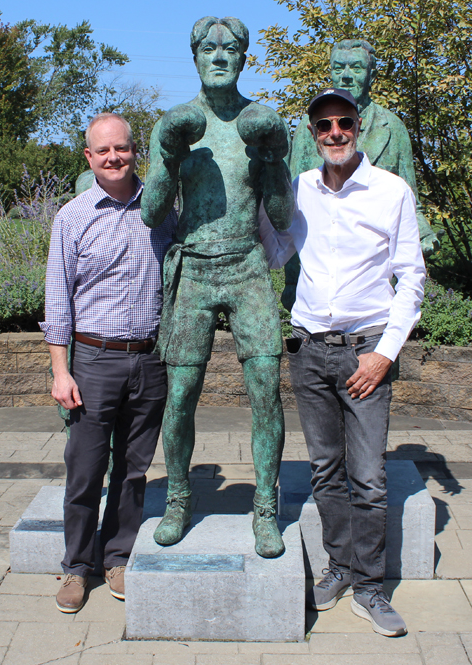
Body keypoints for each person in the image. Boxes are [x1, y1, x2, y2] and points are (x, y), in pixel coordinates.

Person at [259, 88, 426, 637]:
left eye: (344, 122)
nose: (334, 132)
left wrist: (384, 353)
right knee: (326, 472)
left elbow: (412, 278)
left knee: (370, 478)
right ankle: (339, 567)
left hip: (364, 352)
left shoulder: (390, 191)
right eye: (323, 125)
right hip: (309, 349)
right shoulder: (298, 188)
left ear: (358, 126)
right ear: (312, 134)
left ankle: (372, 586)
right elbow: (277, 250)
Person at [140, 16, 294, 558]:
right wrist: (167, 155)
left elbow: (280, 215)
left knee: (266, 393)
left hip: (247, 266)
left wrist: (273, 159)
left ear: (245, 58)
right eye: (209, 48)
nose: (220, 56)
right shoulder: (177, 121)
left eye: (231, 49)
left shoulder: (262, 121)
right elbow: (152, 212)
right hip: (195, 269)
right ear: (196, 57)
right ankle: (178, 498)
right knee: (180, 396)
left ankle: (266, 508)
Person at [40, 113, 176, 613]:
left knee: (133, 469)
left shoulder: (162, 213)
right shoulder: (72, 218)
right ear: (89, 158)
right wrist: (61, 370)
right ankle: (77, 566)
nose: (114, 158)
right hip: (93, 360)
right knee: (85, 470)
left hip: (150, 359)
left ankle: (117, 556)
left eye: (122, 148)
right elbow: (57, 301)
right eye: (103, 152)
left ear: (135, 150)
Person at [283, 38, 438, 311]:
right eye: (338, 67)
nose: (346, 75)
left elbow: (410, 201)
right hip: (314, 293)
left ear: (371, 74)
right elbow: (293, 208)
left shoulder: (393, 128)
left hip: (372, 295)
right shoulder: (309, 133)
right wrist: (292, 282)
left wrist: (422, 233)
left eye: (355, 67)